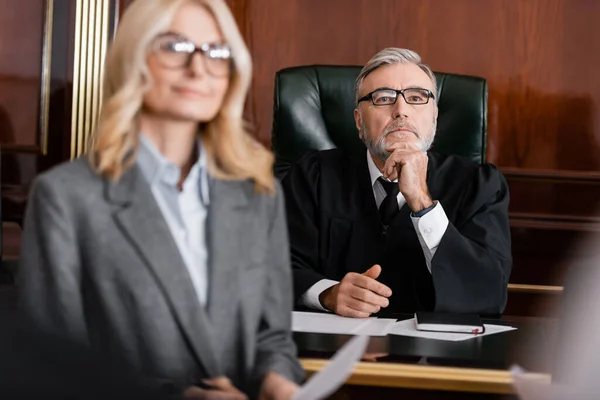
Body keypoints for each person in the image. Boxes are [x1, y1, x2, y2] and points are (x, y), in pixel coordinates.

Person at [18, 0, 303, 399]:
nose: (199, 68)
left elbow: (271, 338)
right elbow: (50, 369)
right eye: (175, 47)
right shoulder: (66, 198)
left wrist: (278, 382)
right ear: (134, 59)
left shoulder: (256, 192)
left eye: (216, 52)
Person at [282, 48, 512, 318]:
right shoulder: (313, 176)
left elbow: (489, 292)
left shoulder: (480, 185)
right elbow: (271, 265)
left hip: (432, 355)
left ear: (435, 117)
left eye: (416, 98)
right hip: (330, 349)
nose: (401, 111)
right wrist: (326, 294)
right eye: (383, 98)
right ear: (359, 121)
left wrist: (422, 202)